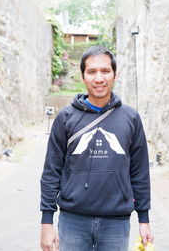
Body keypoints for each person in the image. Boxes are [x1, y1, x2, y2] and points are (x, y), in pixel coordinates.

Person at [40, 45, 153, 251]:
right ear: (83, 76)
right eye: (91, 71)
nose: (99, 78)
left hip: (116, 223)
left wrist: (143, 220)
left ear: (114, 75)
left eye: (105, 71)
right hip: (72, 221)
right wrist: (46, 223)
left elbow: (140, 172)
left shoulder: (131, 118)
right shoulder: (65, 118)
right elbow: (51, 172)